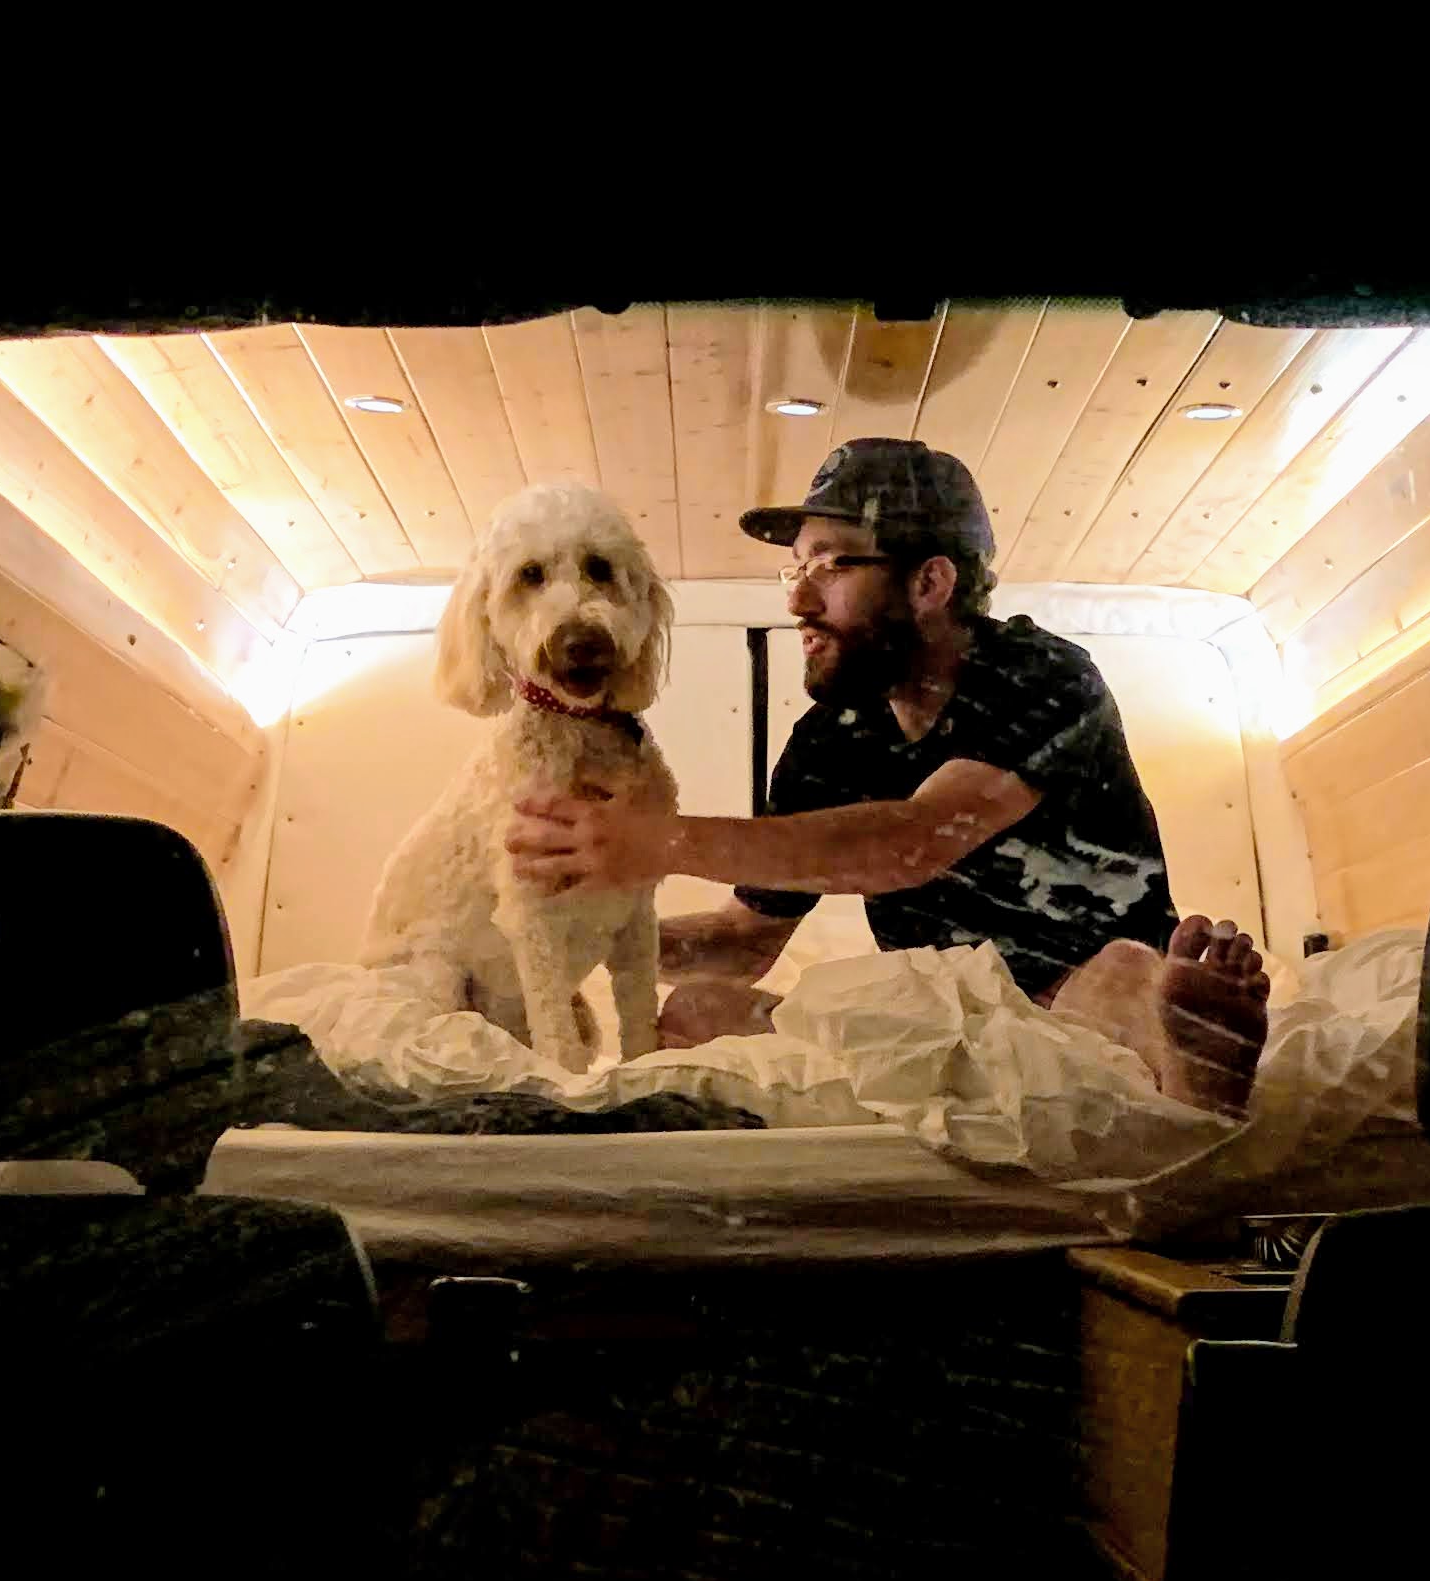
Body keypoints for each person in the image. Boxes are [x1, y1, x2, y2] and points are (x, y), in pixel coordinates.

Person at [505, 439, 1271, 1113]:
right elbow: (746, 941)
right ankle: (1153, 1058)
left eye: (831, 565)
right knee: (702, 1011)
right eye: (794, 569)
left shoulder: (1039, 674)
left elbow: (916, 841)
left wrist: (660, 841)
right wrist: (597, 937)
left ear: (930, 584)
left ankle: (1191, 1055)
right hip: (932, 1015)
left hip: (1070, 987)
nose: (800, 600)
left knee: (1122, 976)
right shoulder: (829, 742)